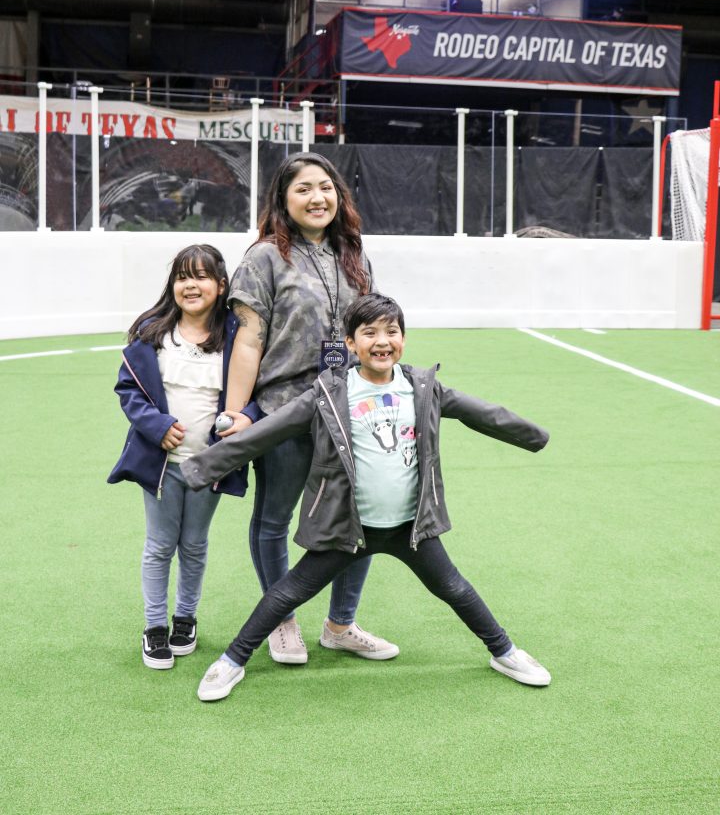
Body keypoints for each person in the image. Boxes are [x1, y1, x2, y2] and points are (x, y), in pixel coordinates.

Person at [180, 293, 552, 702]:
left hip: (411, 529)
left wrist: (534, 436)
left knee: (456, 590)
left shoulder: (422, 388)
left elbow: (482, 412)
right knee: (286, 593)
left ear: (404, 339)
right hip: (348, 529)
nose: (382, 341)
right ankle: (232, 661)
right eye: (369, 332)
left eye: (391, 331)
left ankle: (504, 651)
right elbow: (269, 432)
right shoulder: (330, 393)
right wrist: (199, 469)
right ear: (351, 343)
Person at [217, 152, 396, 666]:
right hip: (286, 410)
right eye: (303, 189)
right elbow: (248, 341)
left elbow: (371, 334)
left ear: (338, 195)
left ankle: (341, 625)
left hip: (350, 411)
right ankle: (281, 620)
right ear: (283, 198)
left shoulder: (354, 255)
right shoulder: (264, 258)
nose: (317, 197)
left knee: (357, 518)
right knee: (274, 520)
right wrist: (235, 416)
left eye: (326, 187)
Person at [108, 244, 259, 670]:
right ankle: (155, 626)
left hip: (208, 466)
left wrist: (243, 419)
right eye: (182, 277)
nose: (190, 285)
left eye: (201, 276)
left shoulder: (237, 336)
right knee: (159, 545)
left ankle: (185, 618)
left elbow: (258, 397)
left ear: (221, 284)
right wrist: (156, 427)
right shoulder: (153, 333)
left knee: (193, 545)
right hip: (161, 468)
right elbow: (129, 391)